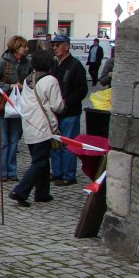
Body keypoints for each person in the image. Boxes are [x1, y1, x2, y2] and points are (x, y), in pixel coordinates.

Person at [10, 50, 64, 207]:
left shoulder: (29, 79)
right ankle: (20, 191)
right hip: (43, 127)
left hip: (29, 124)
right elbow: (57, 105)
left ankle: (42, 193)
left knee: (42, 161)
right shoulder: (50, 80)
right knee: (40, 162)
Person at [0, 35, 31, 182]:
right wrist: (9, 87)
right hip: (2, 106)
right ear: (16, 48)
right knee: (3, 141)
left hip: (18, 107)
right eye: (24, 46)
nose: (26, 49)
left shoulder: (27, 64)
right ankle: (0, 171)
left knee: (14, 141)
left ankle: (11, 171)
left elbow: (31, 80)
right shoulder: (3, 62)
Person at [50, 35, 88, 186]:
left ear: (66, 46)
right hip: (54, 111)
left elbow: (81, 90)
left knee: (68, 145)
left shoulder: (75, 65)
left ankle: (69, 175)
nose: (54, 48)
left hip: (69, 112)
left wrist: (67, 102)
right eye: (54, 45)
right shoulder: (54, 65)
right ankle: (57, 172)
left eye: (58, 45)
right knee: (55, 144)